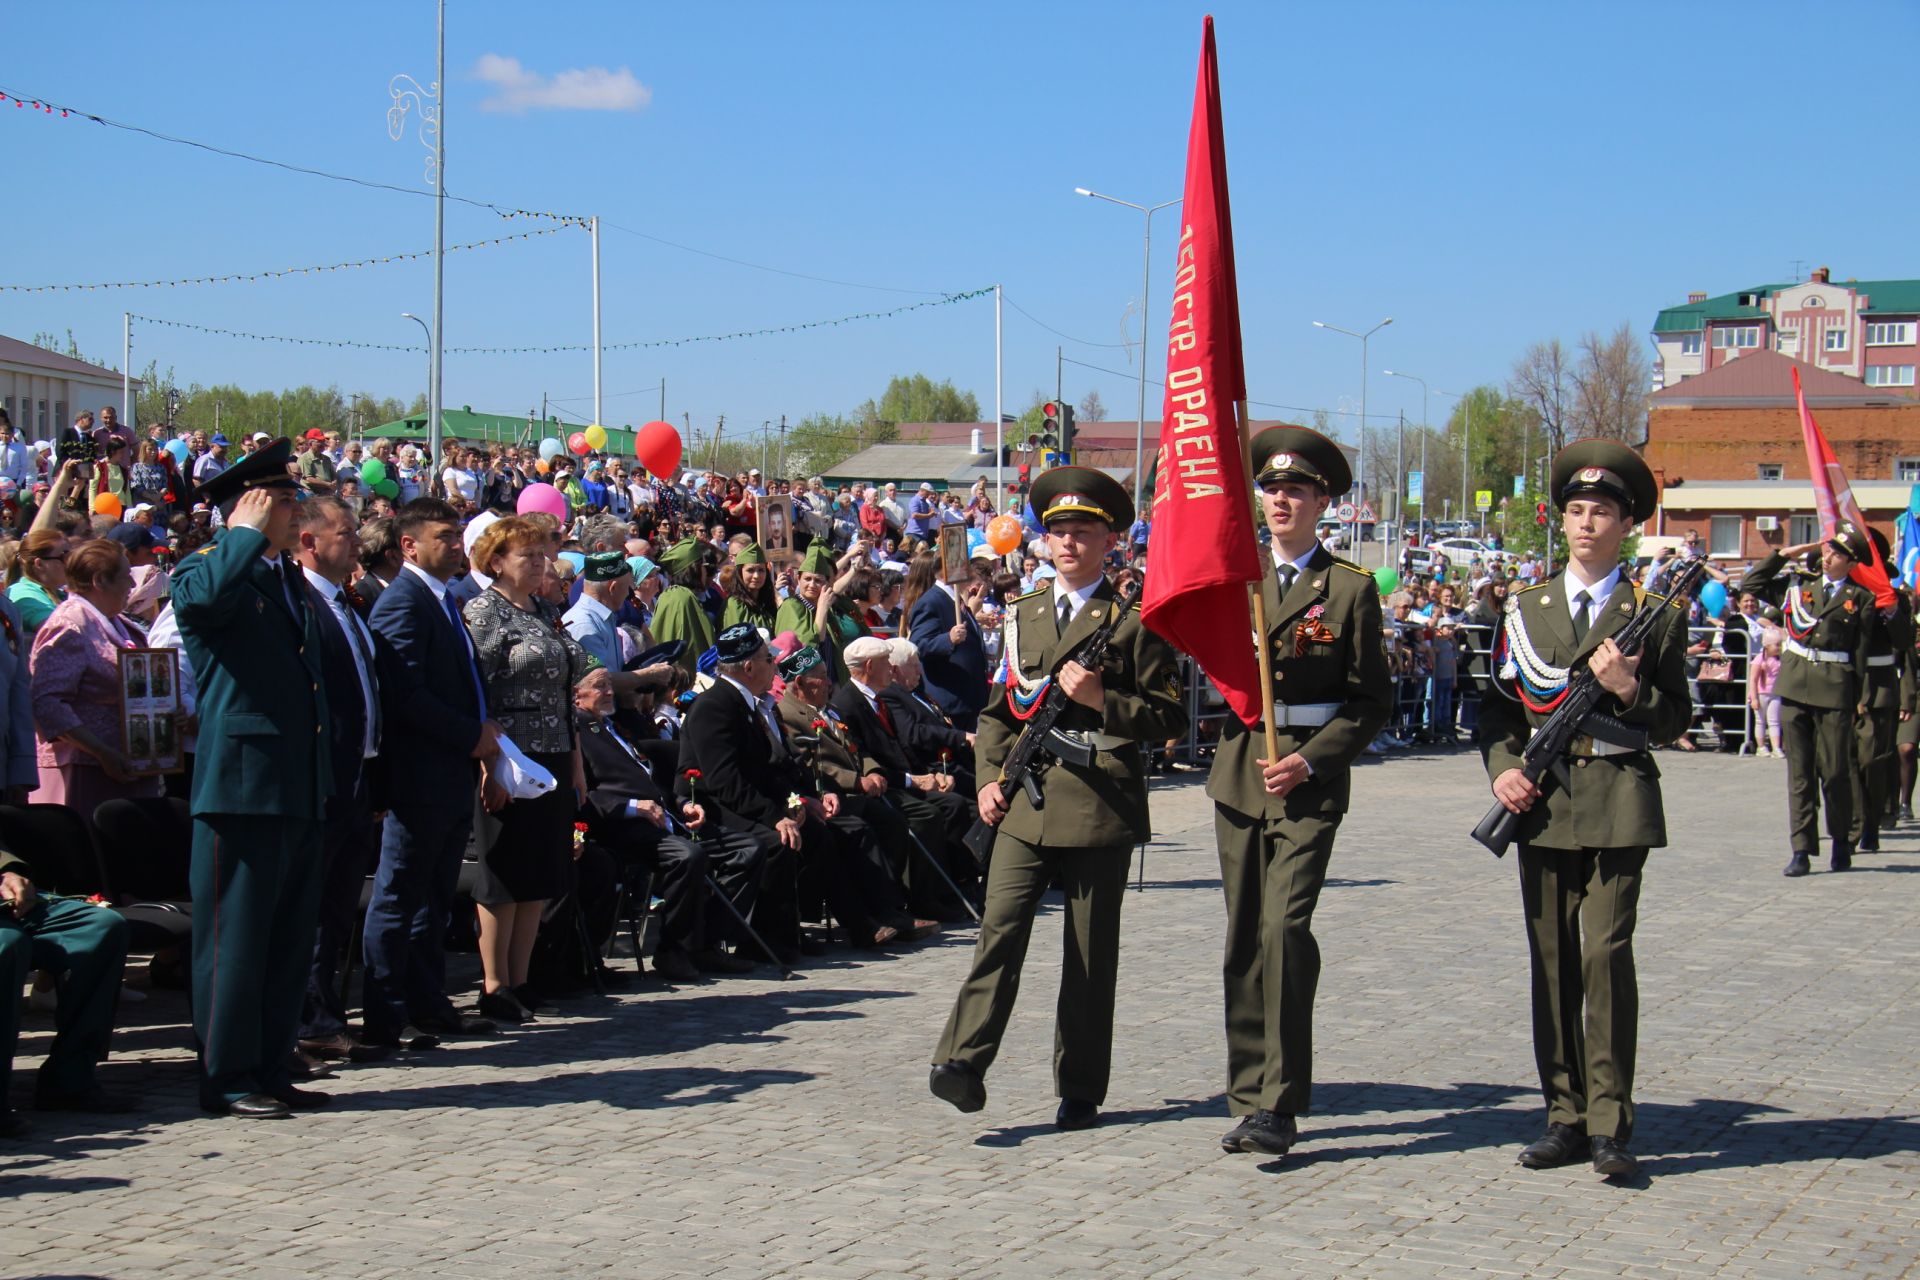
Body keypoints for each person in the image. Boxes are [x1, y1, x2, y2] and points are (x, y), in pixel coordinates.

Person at [930, 467, 1186, 1131]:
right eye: (1059, 533)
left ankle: (1080, 1086)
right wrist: (989, 777)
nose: (1069, 544)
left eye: (1084, 532)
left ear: (1109, 541)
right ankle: (961, 1059)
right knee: (1000, 931)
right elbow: (997, 713)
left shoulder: (1134, 620)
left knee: (1089, 955)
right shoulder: (1024, 615)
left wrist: (1106, 701)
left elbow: (1169, 717)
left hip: (1099, 805)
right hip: (1024, 800)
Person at [1480, 440, 1691, 1180]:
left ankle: (1610, 1121)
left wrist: (1631, 691)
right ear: (1560, 520)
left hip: (1617, 799)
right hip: (1541, 804)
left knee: (1603, 956)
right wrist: (1505, 771)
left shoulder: (1650, 613)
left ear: (1625, 524)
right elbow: (1497, 713)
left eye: (1602, 512)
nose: (1586, 524)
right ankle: (1562, 1116)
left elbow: (1673, 719)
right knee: (1553, 961)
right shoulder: (1526, 608)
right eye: (1575, 511)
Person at [1203, 427, 1391, 1159]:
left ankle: (1280, 1101)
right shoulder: (1234, 578)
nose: (1282, 500)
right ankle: (1248, 1094)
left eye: (1297, 491)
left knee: (1285, 930)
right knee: (1245, 937)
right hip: (1241, 770)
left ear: (1322, 504)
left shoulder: (1347, 588)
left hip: (1306, 779)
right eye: (1272, 489)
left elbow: (1371, 701)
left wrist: (1313, 762)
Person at [170, 440, 333, 1118]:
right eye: (286, 501)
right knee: (233, 942)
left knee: (287, 938)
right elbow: (202, 607)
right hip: (240, 786)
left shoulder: (281, 577)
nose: (299, 513)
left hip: (294, 781)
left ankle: (269, 1062)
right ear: (252, 505)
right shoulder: (208, 568)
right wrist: (236, 534)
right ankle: (227, 1074)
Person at [364, 497, 503, 1050]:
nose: (455, 544)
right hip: (419, 775)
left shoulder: (441, 600)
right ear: (409, 545)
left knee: (434, 898)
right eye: (444, 536)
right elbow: (404, 694)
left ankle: (428, 1003)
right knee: (400, 895)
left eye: (456, 535)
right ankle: (386, 1013)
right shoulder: (404, 602)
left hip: (450, 775)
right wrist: (469, 734)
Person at [464, 517, 595, 1023]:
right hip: (509, 755)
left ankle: (521, 979)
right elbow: (479, 691)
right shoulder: (484, 611)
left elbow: (571, 684)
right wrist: (487, 763)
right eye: (528, 556)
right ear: (497, 560)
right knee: (504, 871)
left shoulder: (546, 609)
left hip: (555, 750)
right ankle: (494, 983)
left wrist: (576, 762)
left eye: (543, 556)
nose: (540, 564)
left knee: (540, 871)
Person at [574, 668, 759, 980]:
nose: (608, 692)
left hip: (663, 817)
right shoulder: (579, 729)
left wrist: (682, 803)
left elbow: (649, 782)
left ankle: (707, 942)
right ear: (575, 695)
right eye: (599, 687)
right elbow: (586, 793)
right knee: (686, 857)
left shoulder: (611, 726)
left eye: (609, 685)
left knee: (748, 849)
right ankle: (673, 950)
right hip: (620, 825)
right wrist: (634, 807)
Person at [291, 496, 390, 1066]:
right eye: (345, 533)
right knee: (313, 903)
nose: (356, 542)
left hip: (359, 773)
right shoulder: (302, 603)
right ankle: (311, 1018)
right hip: (324, 776)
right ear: (309, 541)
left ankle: (327, 1014)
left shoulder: (346, 604)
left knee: (336, 906)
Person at [1738, 526, 1874, 875]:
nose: (1827, 557)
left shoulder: (1860, 599)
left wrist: (1860, 699)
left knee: (1835, 772)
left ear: (1851, 561)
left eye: (1836, 553)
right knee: (1799, 774)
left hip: (1835, 691)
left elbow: (1861, 654)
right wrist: (1785, 554)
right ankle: (1801, 848)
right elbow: (1750, 585)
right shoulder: (1799, 588)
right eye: (1827, 551)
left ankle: (1841, 841)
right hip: (1795, 687)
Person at [1, 834, 132, 1133]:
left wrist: (7, 871)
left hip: (9, 901)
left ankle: (70, 1080)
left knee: (102, 927)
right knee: (7, 945)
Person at [29, 539, 164, 821]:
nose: (131, 583)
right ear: (100, 580)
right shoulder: (69, 624)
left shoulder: (118, 621)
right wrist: (102, 752)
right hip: (85, 773)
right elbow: (47, 703)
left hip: (131, 770)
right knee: (89, 859)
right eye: (126, 575)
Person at [1851, 527, 1912, 853]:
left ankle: (1870, 821)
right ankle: (1852, 822)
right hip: (1841, 686)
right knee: (1842, 763)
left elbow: (1904, 645)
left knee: (1873, 761)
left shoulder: (1893, 598)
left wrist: (1889, 607)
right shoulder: (1843, 595)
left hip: (1879, 686)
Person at [905, 551, 988, 732]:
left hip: (968, 700)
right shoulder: (931, 601)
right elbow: (918, 645)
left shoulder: (957, 600)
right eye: (963, 565)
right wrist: (947, 639)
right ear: (946, 570)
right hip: (950, 701)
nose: (968, 570)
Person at [650, 537, 717, 677]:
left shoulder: (677, 595)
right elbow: (689, 648)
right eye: (703, 566)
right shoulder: (681, 598)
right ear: (694, 569)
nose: (706, 572)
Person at [720, 542, 777, 632]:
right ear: (739, 573)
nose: (756, 576)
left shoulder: (766, 601)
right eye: (750, 570)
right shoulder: (735, 604)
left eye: (761, 570)